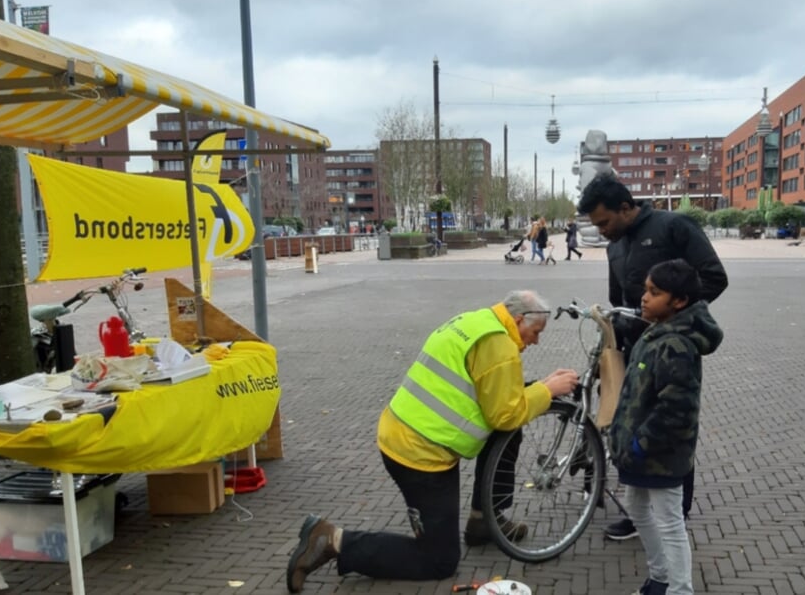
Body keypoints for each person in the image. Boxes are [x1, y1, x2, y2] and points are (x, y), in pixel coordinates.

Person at [285, 291, 579, 592]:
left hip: (404, 433)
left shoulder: (475, 321)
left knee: (512, 425)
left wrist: (543, 387)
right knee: (439, 559)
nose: (536, 341)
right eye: (535, 333)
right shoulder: (499, 346)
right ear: (518, 320)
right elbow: (505, 414)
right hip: (419, 456)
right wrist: (548, 391)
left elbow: (503, 403)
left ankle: (484, 520)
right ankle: (330, 540)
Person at [577, 173, 728, 541]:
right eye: (595, 225)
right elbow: (619, 300)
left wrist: (675, 318)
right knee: (633, 420)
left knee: (671, 424)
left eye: (605, 222)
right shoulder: (614, 247)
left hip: (670, 350)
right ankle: (639, 511)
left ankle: (676, 512)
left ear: (626, 208)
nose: (601, 231)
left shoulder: (674, 227)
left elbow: (713, 277)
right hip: (633, 347)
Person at [610, 259, 723, 595]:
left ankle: (680, 589)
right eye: (646, 289)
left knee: (670, 522)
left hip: (659, 455)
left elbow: (677, 407)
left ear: (679, 302)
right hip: (642, 452)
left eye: (654, 293)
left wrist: (640, 443)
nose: (644, 298)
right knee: (636, 507)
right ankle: (660, 577)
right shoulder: (658, 331)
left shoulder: (676, 345)